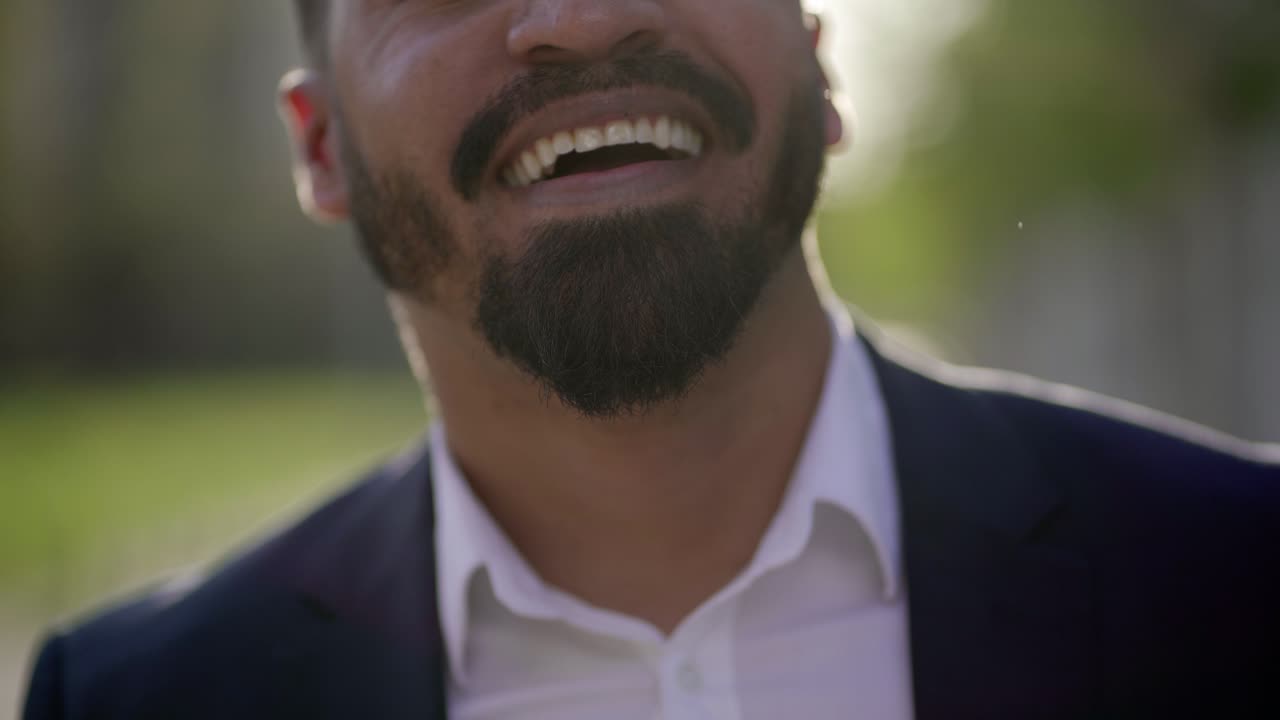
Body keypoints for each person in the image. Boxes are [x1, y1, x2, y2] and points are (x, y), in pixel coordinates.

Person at [22, 1, 1280, 718]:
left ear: (817, 64)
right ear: (321, 148)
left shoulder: (1242, 583)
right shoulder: (140, 703)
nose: (578, 19)